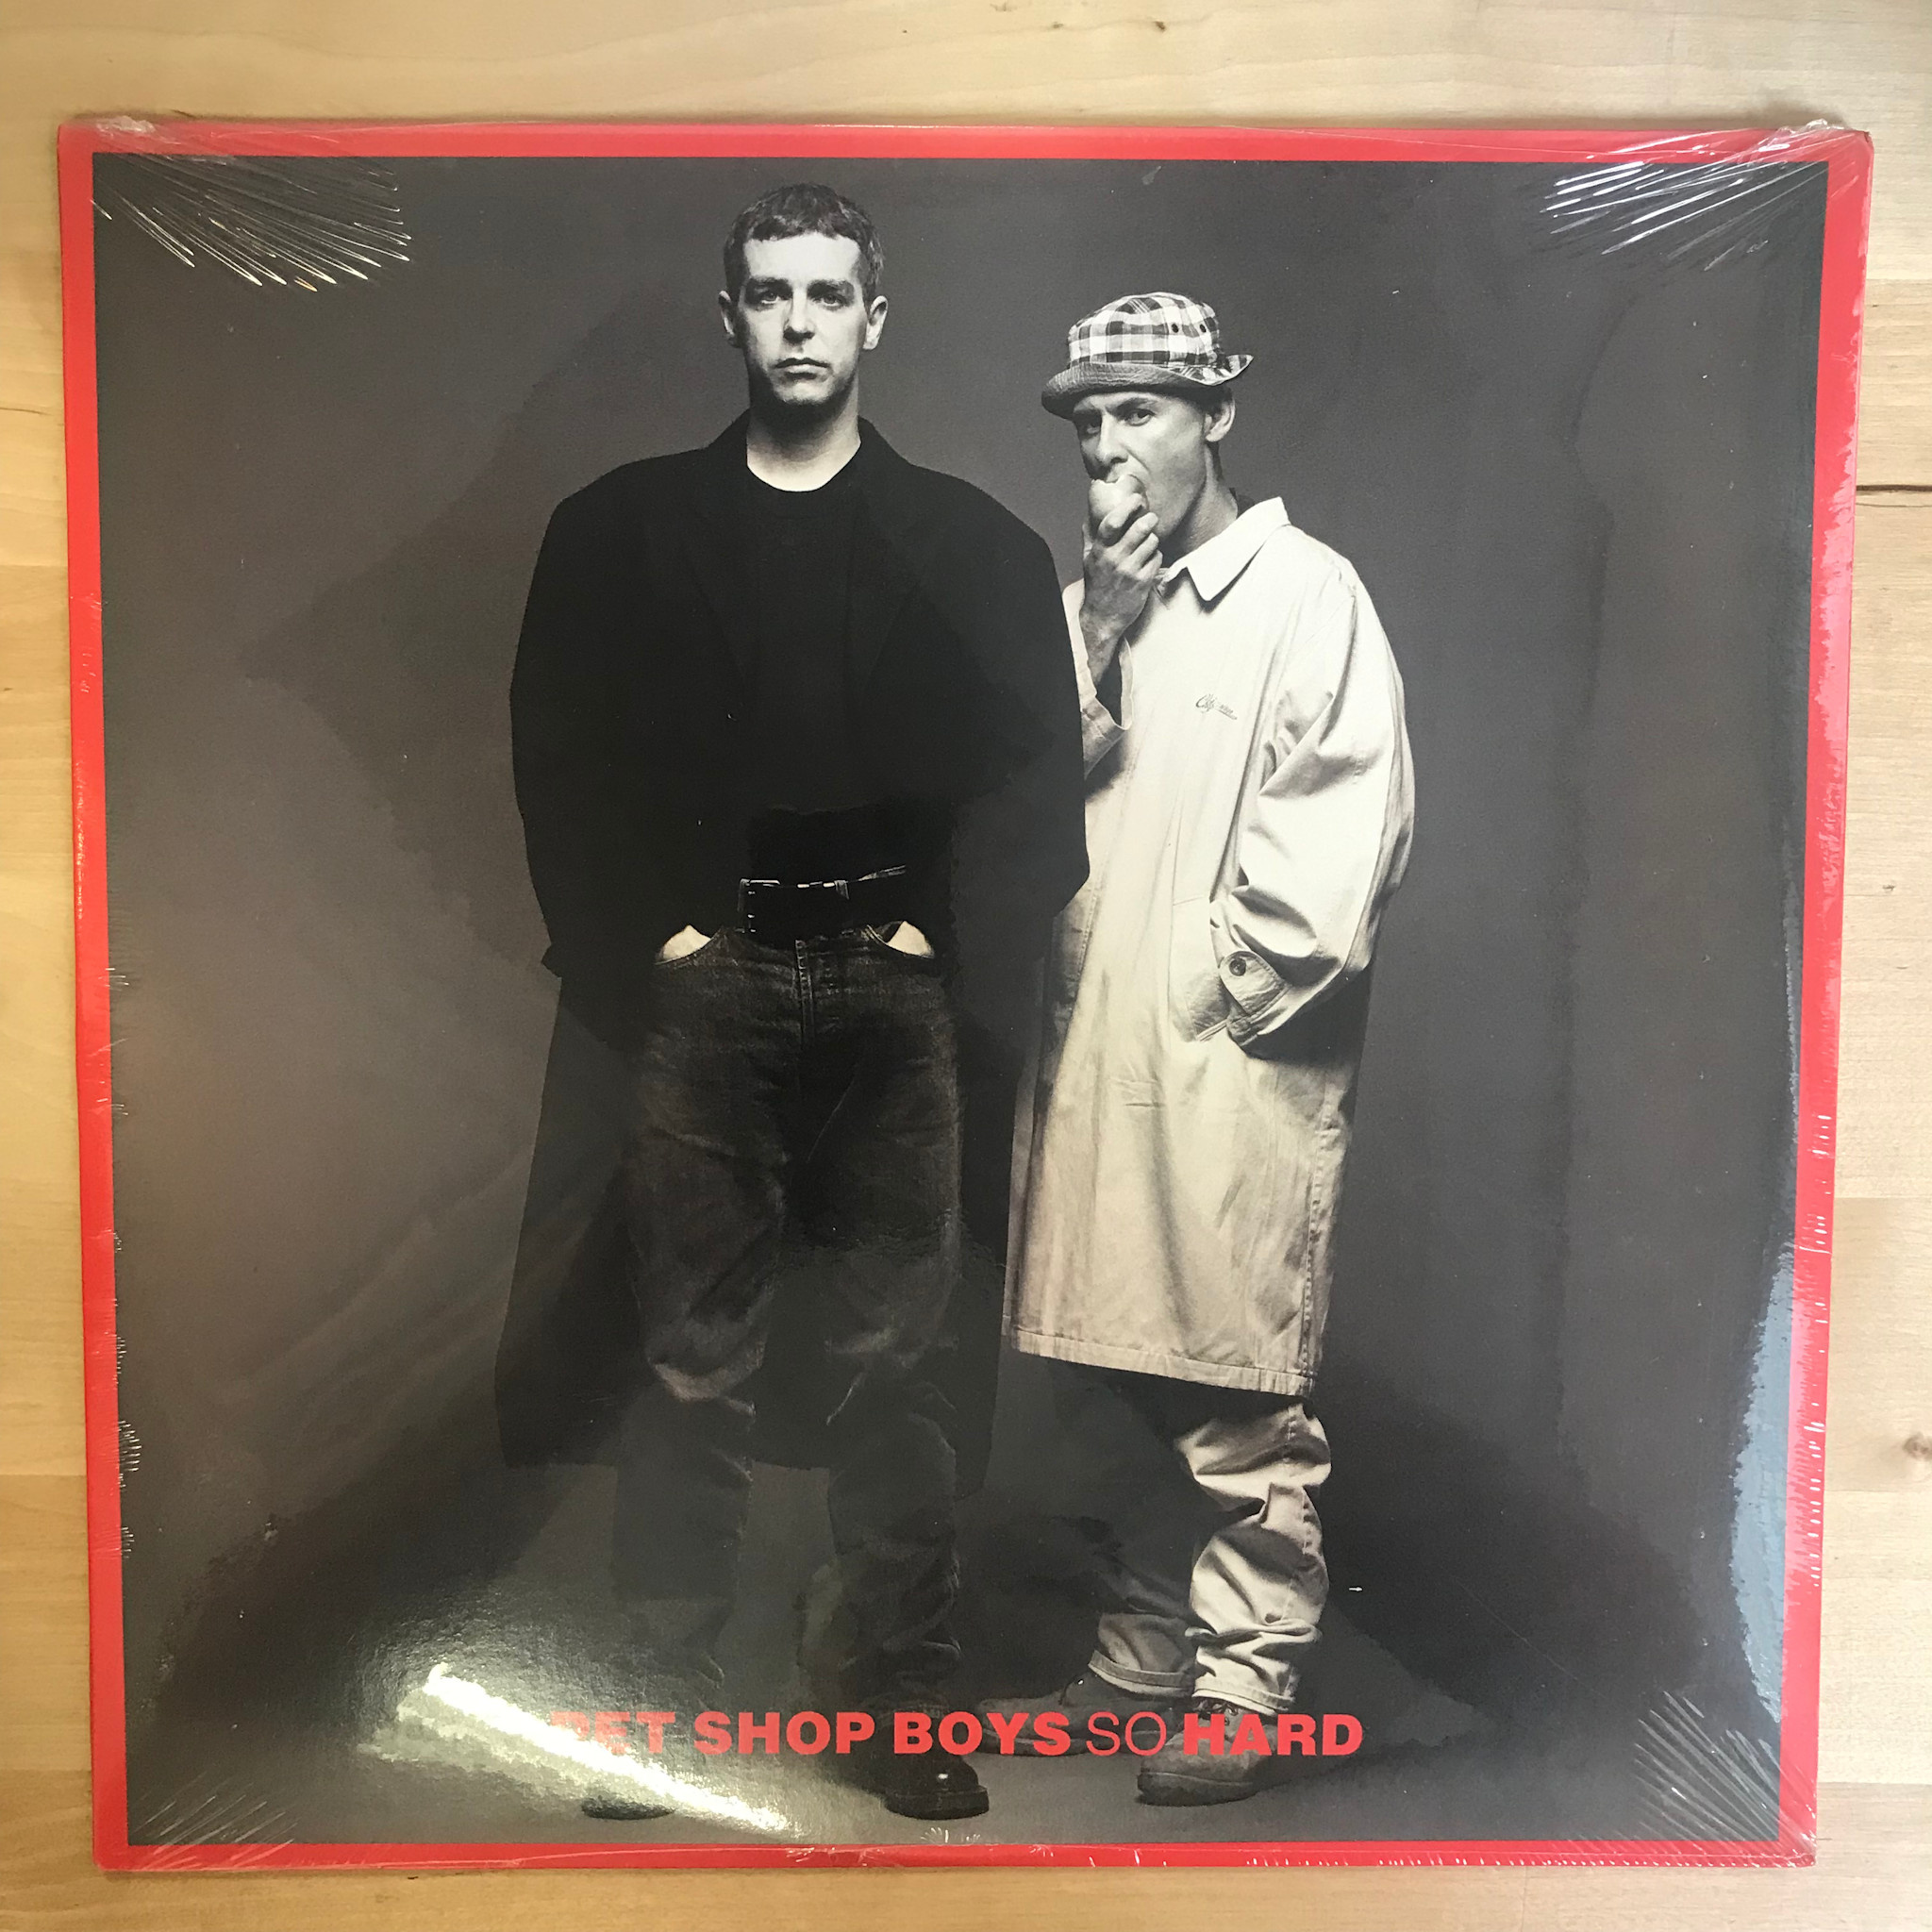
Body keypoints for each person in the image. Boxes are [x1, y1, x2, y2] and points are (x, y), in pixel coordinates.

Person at [499, 183, 1086, 1821]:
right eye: (773, 294)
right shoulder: (618, 532)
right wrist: (654, 948)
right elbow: (559, 764)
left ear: (876, 318)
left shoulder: (976, 546)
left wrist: (932, 947)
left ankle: (901, 1704)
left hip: (897, 998)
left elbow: (1037, 788)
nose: (802, 322)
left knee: (901, 1362)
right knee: (689, 1357)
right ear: (733, 317)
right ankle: (661, 1705)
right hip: (705, 992)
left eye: (831, 294)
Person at [997, 291, 1414, 1806]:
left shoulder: (1309, 594)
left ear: (1219, 417)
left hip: (1225, 1056)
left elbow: (1339, 841)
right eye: (1089, 421)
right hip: (1089, 1046)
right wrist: (1097, 634)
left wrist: (1209, 989)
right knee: (1112, 1373)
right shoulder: (1085, 608)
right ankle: (1137, 1659)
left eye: (1142, 412)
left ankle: (1245, 1683)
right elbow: (1015, 808)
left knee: (1231, 1380)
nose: (1106, 449)